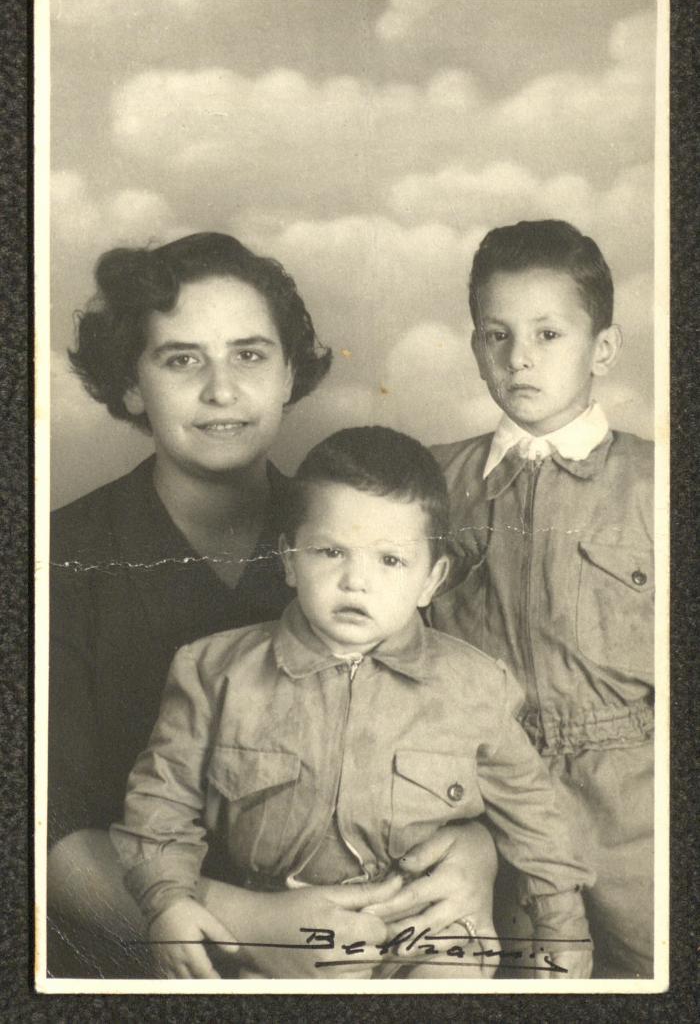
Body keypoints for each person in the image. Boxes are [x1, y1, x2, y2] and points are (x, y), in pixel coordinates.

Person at [47, 232, 498, 979]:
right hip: (140, 957)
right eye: (182, 359)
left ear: (291, 373)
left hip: (370, 951)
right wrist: (252, 924)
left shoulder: (367, 533)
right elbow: (40, 829)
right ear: (131, 386)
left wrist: (476, 855)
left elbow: (453, 722)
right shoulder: (56, 557)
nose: (222, 390)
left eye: (250, 355)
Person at [110, 426, 594, 980]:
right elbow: (159, 801)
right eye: (330, 551)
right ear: (289, 560)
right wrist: (167, 901)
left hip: (431, 923)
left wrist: (562, 922)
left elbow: (535, 814)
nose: (355, 581)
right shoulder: (214, 672)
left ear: (431, 580)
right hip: (287, 928)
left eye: (390, 561)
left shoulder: (475, 686)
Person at [429, 220, 654, 979]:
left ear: (603, 350)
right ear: (475, 347)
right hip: (489, 799)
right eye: (497, 334)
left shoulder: (658, 483)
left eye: (549, 333)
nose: (519, 356)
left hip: (635, 806)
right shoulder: (434, 484)